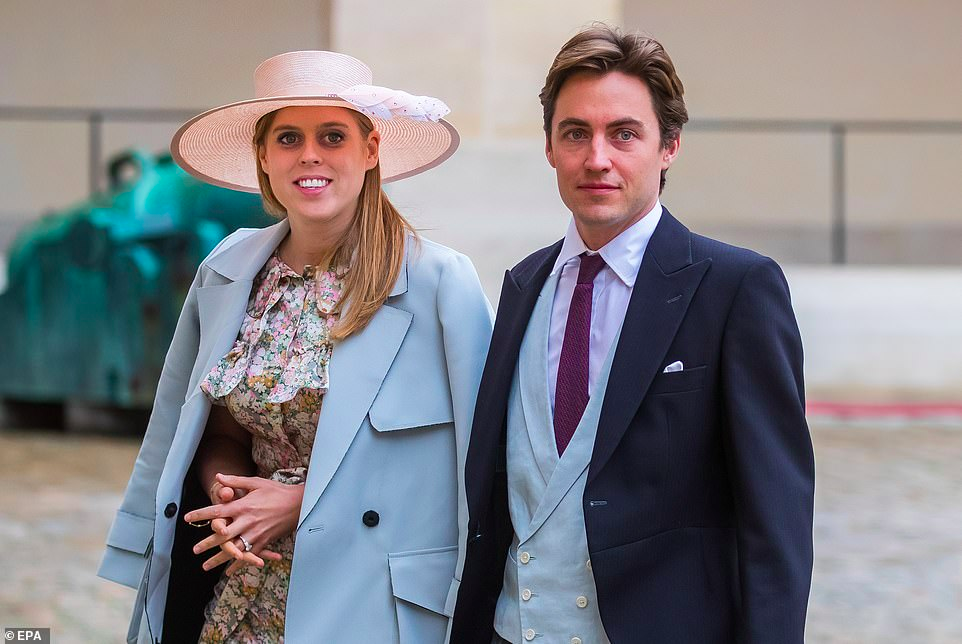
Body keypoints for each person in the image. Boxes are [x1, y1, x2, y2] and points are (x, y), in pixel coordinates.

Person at [98, 50, 492, 643]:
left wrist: (298, 502)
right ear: (263, 155)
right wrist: (228, 495)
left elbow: (475, 463)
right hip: (244, 597)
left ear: (371, 149)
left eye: (333, 136)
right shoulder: (228, 269)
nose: (310, 155)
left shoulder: (439, 284)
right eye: (288, 138)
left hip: (374, 602)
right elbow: (217, 431)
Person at [451, 24, 815, 644]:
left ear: (669, 146)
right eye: (575, 133)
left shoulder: (736, 289)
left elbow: (776, 523)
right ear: (549, 147)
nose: (597, 158)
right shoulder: (523, 284)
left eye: (624, 133)